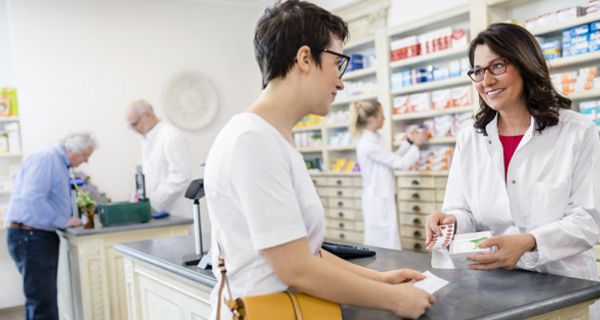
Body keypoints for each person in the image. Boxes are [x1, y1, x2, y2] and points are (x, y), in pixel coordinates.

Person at [204, 1, 435, 319]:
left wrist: (382, 279)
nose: (340, 81)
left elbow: (307, 253)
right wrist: (394, 299)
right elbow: (296, 269)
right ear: (304, 58)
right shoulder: (252, 140)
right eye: (337, 62)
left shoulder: (274, 138)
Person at [425, 23, 600, 281]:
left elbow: (588, 220)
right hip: (493, 280)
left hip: (564, 283)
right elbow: (465, 212)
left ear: (526, 64)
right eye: (478, 71)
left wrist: (530, 242)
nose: (487, 81)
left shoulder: (577, 131)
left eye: (497, 66)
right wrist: (451, 221)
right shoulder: (470, 138)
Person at [5, 132, 95, 320]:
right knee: (42, 304)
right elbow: (33, 199)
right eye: (85, 155)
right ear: (73, 150)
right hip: (30, 237)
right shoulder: (48, 158)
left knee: (41, 301)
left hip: (34, 236)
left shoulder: (58, 162)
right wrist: (63, 221)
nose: (85, 161)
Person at [350, 100, 429, 250]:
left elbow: (390, 159)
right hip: (377, 197)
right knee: (382, 241)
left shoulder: (374, 137)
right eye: (381, 115)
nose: (384, 118)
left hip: (382, 194)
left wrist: (409, 142)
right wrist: (417, 144)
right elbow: (400, 163)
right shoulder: (367, 142)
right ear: (370, 119)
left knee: (386, 237)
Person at [126, 99, 192, 217]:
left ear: (147, 115)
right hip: (158, 214)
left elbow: (181, 176)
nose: (134, 130)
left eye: (134, 124)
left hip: (175, 214)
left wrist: (153, 202)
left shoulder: (171, 136)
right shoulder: (149, 138)